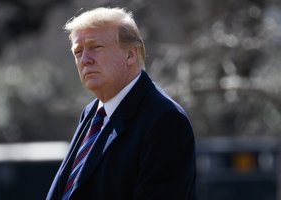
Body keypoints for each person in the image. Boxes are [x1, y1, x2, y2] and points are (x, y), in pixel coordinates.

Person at [46, 7, 196, 200]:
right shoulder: (92, 113)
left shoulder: (165, 119)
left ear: (130, 55)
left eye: (95, 47)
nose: (85, 60)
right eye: (78, 51)